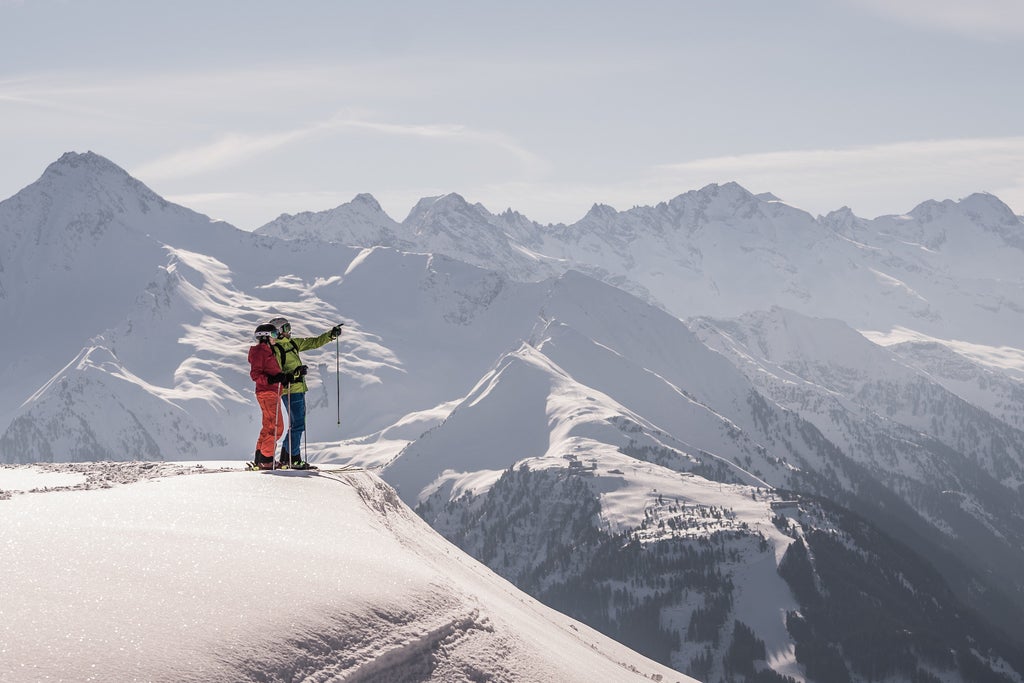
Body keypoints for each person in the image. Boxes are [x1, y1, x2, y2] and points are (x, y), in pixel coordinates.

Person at [267, 317, 342, 469]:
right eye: (286, 328)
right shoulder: (276, 350)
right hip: (290, 391)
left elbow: (313, 342)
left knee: (295, 425)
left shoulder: (293, 343)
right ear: (279, 331)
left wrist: (331, 335)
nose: (290, 331)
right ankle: (294, 459)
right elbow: (279, 374)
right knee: (298, 425)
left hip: (299, 389)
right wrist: (296, 373)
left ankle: (286, 457)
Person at [247, 323, 290, 470]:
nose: (276, 338)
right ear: (264, 337)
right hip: (267, 393)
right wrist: (273, 379)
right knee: (276, 426)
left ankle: (260, 459)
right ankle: (266, 460)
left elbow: (271, 372)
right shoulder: (260, 351)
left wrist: (281, 377)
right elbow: (255, 374)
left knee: (268, 426)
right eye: (273, 335)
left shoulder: (267, 351)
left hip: (271, 392)